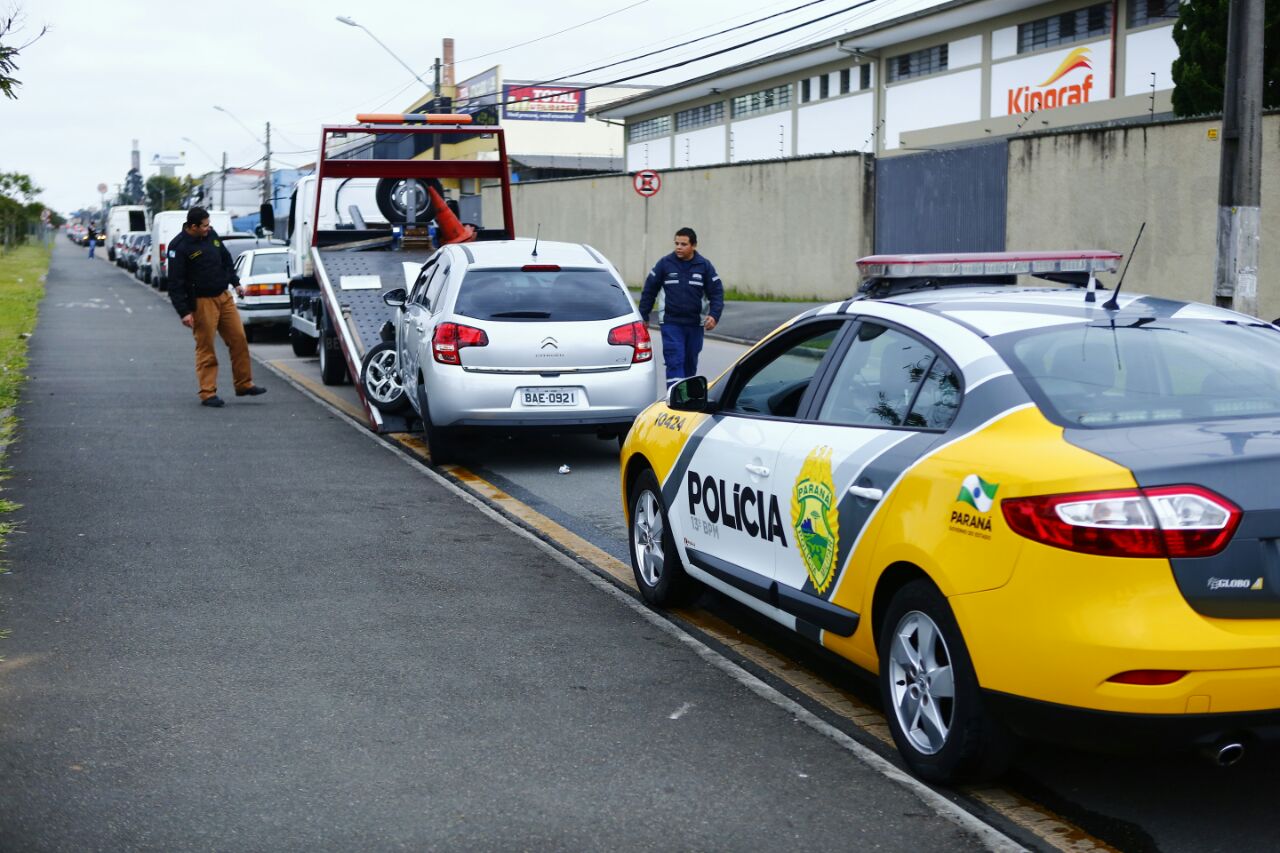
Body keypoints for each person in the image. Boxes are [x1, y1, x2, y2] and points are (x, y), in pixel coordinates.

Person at [167, 207, 266, 407]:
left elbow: (225, 259)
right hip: (202, 302)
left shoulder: (211, 235)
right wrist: (184, 312)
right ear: (193, 226)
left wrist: (236, 282)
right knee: (206, 347)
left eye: (208, 224)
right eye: (204, 225)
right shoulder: (179, 246)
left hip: (224, 296)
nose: (208, 228)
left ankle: (244, 383)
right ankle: (207, 392)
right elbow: (174, 283)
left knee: (239, 339)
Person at [638, 227, 724, 387]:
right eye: (676, 243)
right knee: (675, 360)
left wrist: (714, 315)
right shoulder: (665, 264)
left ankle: (687, 399)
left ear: (694, 245)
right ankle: (674, 399)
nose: (678, 247)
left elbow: (717, 292)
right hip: (671, 323)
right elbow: (649, 290)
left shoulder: (704, 266)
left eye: (683, 244)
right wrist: (644, 315)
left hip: (694, 325)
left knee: (689, 364)